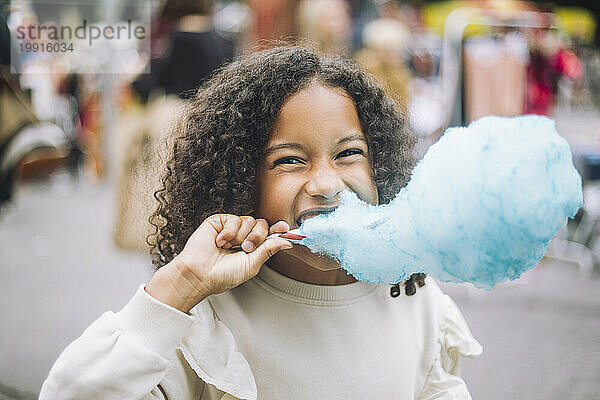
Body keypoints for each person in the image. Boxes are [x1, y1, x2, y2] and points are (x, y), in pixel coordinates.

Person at [40, 45, 482, 399]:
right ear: (240, 185)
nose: (328, 184)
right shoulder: (199, 320)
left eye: (349, 153)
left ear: (380, 165)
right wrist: (180, 285)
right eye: (290, 160)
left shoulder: (418, 301)